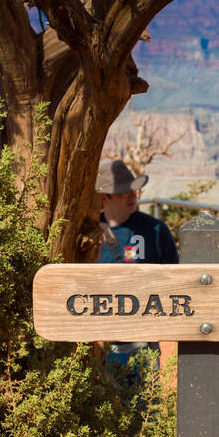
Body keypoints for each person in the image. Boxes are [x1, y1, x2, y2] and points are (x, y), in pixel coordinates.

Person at [94, 157, 179, 386]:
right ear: (105, 198)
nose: (132, 196)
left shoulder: (155, 230)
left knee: (143, 411)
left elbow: (174, 279)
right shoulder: (87, 235)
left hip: (143, 340)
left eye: (134, 190)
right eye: (123, 193)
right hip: (99, 342)